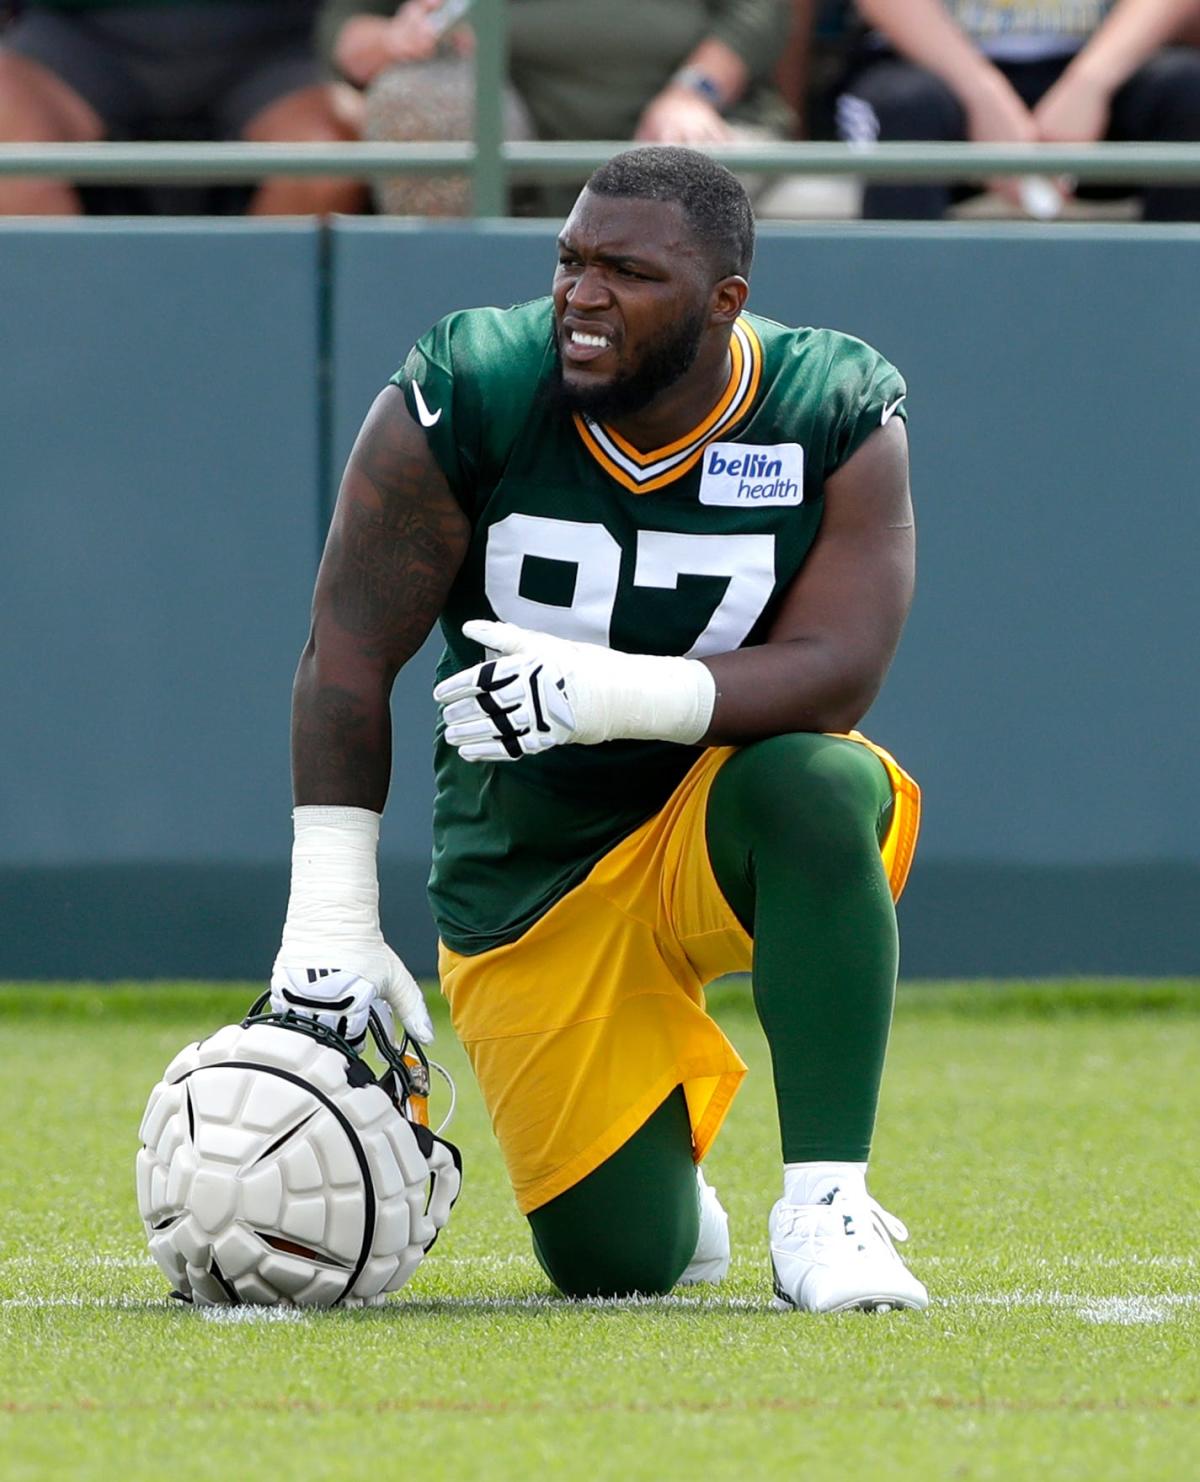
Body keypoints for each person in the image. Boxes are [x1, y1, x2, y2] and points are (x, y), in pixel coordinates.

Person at [271, 145, 928, 1312]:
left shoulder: (829, 403)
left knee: (824, 782)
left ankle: (828, 1203)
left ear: (726, 301)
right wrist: (328, 920)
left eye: (624, 270)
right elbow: (346, 652)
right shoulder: (473, 379)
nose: (579, 293)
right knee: (619, 1266)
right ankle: (667, 1164)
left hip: (712, 819)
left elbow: (841, 672)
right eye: (570, 259)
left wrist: (615, 693)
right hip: (532, 863)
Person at [315, 0, 794, 214]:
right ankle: (458, 328)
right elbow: (345, 33)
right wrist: (396, 38)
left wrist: (692, 91)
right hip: (512, 158)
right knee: (416, 102)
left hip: (693, 118)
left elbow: (759, 15)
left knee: (680, 174)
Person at [836, 0, 1200, 219]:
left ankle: (1179, 329)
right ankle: (901, 338)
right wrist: (982, 93)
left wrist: (1091, 82)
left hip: (1100, 76)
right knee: (903, 108)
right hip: (927, 69)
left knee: (1189, 90)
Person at [0, 0, 363, 216]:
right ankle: (69, 330)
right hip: (74, 39)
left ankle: (252, 332)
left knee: (328, 161)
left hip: (274, 47)